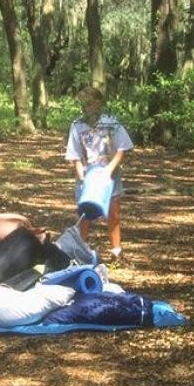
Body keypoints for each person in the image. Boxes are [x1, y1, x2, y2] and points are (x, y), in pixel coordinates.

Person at [65, 86, 134, 264]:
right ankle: (79, 253)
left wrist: (109, 170)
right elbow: (75, 155)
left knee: (113, 214)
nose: (85, 108)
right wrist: (82, 176)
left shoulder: (111, 123)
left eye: (88, 103)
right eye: (82, 104)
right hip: (87, 178)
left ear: (97, 103)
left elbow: (122, 148)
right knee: (85, 215)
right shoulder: (77, 125)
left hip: (109, 176)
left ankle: (116, 253)